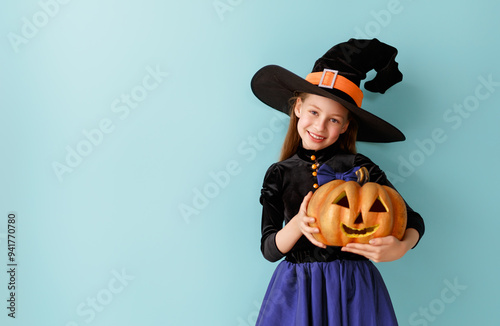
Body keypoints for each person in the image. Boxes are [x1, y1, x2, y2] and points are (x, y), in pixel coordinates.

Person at [250, 39, 425, 326]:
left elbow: (413, 219)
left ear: (345, 126)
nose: (319, 126)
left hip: (354, 290)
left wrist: (402, 246)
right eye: (314, 112)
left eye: (333, 120)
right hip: (296, 290)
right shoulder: (279, 173)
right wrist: (297, 224)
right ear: (297, 108)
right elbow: (269, 249)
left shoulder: (360, 168)